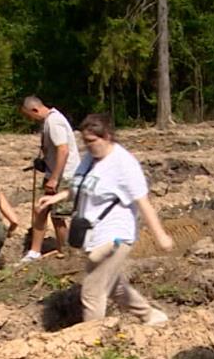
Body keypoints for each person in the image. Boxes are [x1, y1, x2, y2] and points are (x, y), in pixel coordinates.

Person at [36, 114, 175, 325]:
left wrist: (161, 236)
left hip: (115, 235)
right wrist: (58, 196)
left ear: (107, 136)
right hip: (92, 234)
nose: (88, 146)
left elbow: (143, 203)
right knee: (112, 284)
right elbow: (81, 188)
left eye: (92, 141)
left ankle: (92, 341)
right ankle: (151, 316)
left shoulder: (124, 164)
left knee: (92, 290)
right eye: (85, 141)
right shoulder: (89, 160)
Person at [20, 96, 82, 263]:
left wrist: (54, 179)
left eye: (29, 116)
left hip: (63, 175)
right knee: (40, 210)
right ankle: (34, 251)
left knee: (58, 215)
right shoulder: (49, 121)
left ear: (35, 110)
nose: (30, 119)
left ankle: (67, 251)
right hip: (52, 173)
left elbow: (63, 150)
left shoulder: (54, 122)